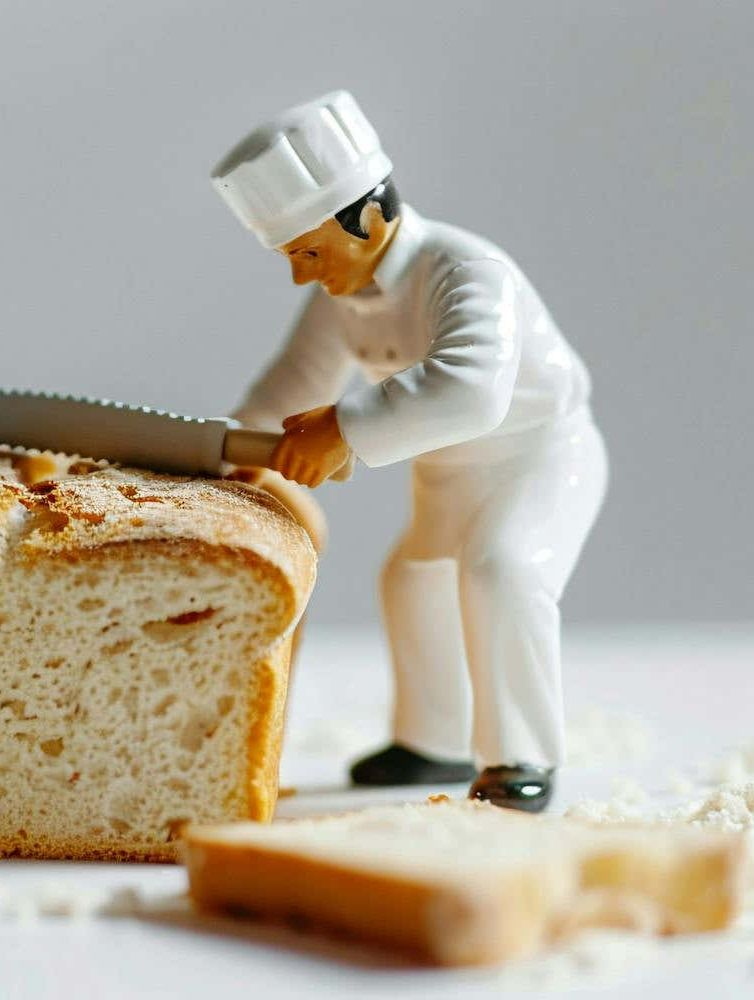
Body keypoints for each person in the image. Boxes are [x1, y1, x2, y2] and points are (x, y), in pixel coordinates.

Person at [211, 91, 608, 811]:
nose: (301, 274)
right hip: (448, 470)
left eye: (307, 252)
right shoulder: (342, 291)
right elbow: (295, 377)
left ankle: (522, 760)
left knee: (504, 571)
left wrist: (344, 430)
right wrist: (236, 444)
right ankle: (435, 742)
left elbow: (472, 389)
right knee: (412, 578)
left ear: (368, 219)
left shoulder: (466, 270)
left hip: (540, 455)